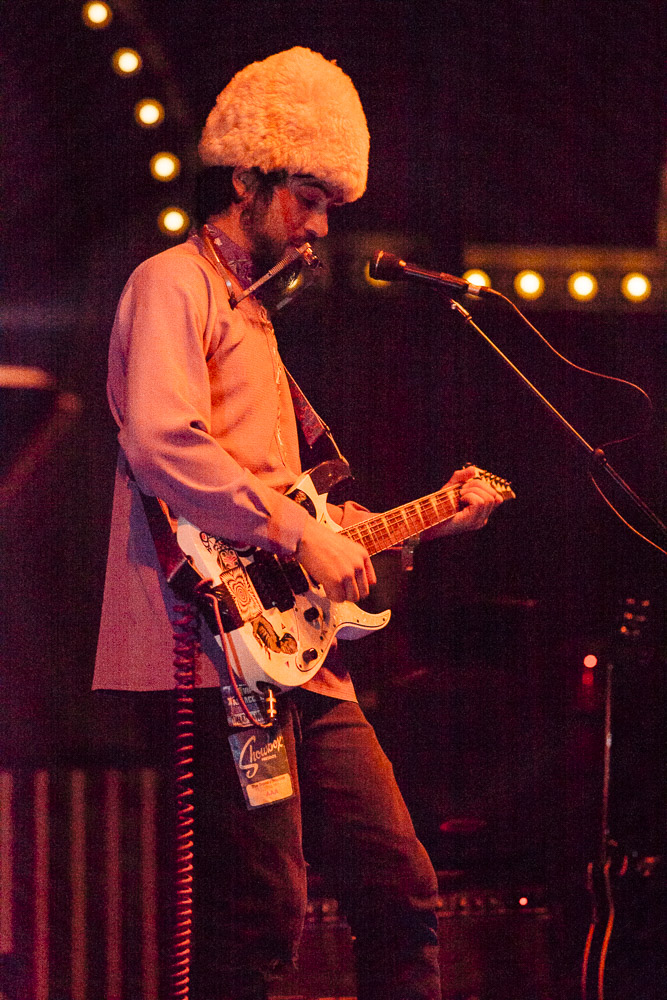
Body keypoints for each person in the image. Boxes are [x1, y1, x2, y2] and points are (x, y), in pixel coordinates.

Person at [94, 47, 504, 1000]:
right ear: (247, 179)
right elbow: (160, 440)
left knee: (400, 886)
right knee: (259, 914)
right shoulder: (173, 283)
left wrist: (419, 523)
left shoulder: (261, 322)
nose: (320, 228)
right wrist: (295, 532)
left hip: (299, 653)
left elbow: (307, 511)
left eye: (328, 207)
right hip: (206, 646)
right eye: (306, 200)